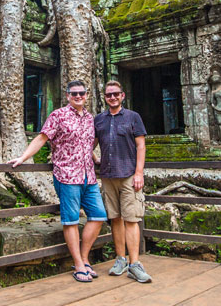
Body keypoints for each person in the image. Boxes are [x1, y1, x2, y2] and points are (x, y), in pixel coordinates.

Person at [9, 79, 107, 283]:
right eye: (74, 93)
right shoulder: (58, 115)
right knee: (70, 220)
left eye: (81, 93)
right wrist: (22, 158)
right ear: (68, 96)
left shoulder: (90, 119)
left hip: (88, 176)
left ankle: (85, 257)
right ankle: (78, 264)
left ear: (87, 95)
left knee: (98, 216)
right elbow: (42, 138)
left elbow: (89, 143)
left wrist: (95, 158)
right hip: (67, 175)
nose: (78, 96)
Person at [94, 80, 152, 283]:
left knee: (131, 218)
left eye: (115, 94)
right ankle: (120, 259)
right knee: (115, 218)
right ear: (105, 97)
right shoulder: (99, 120)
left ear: (122, 95)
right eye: (109, 95)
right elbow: (90, 144)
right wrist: (95, 159)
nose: (112, 97)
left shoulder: (132, 117)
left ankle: (134, 263)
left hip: (128, 175)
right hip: (108, 176)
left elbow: (141, 146)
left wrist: (139, 173)